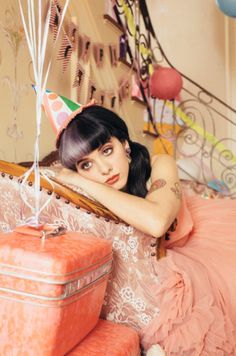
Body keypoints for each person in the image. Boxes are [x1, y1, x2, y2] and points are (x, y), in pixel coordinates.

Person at [42, 90, 236, 355]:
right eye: (86, 165)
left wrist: (77, 178)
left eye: (107, 151)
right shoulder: (93, 190)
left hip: (201, 242)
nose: (104, 169)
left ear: (124, 143)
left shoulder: (161, 163)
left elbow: (156, 222)